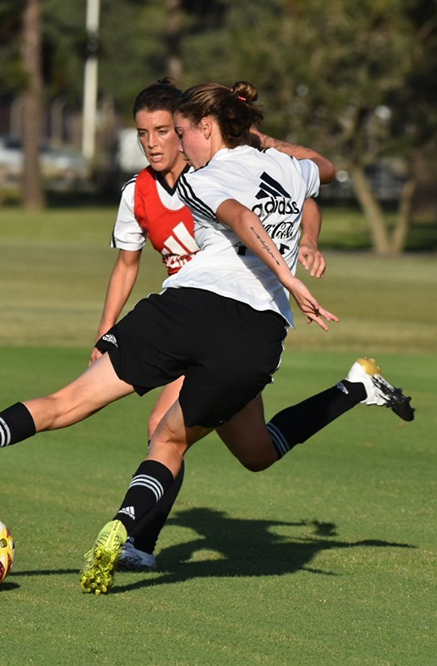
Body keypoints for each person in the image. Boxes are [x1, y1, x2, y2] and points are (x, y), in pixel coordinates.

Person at [0, 81, 413, 596]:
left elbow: (242, 217)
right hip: (251, 334)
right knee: (170, 440)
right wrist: (286, 260)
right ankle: (128, 533)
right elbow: (324, 169)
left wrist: (292, 272)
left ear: (205, 130)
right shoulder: (284, 168)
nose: (174, 142)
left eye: (183, 130)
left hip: (186, 311)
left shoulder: (203, 177)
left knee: (83, 408)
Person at [96, 80, 329, 572]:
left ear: (190, 132)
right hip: (185, 318)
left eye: (165, 130)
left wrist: (305, 242)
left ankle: (139, 541)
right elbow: (126, 266)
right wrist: (106, 329)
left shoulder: (223, 170)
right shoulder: (138, 193)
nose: (154, 142)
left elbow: (298, 191)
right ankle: (352, 389)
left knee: (163, 430)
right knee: (257, 452)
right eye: (143, 133)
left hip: (230, 319)